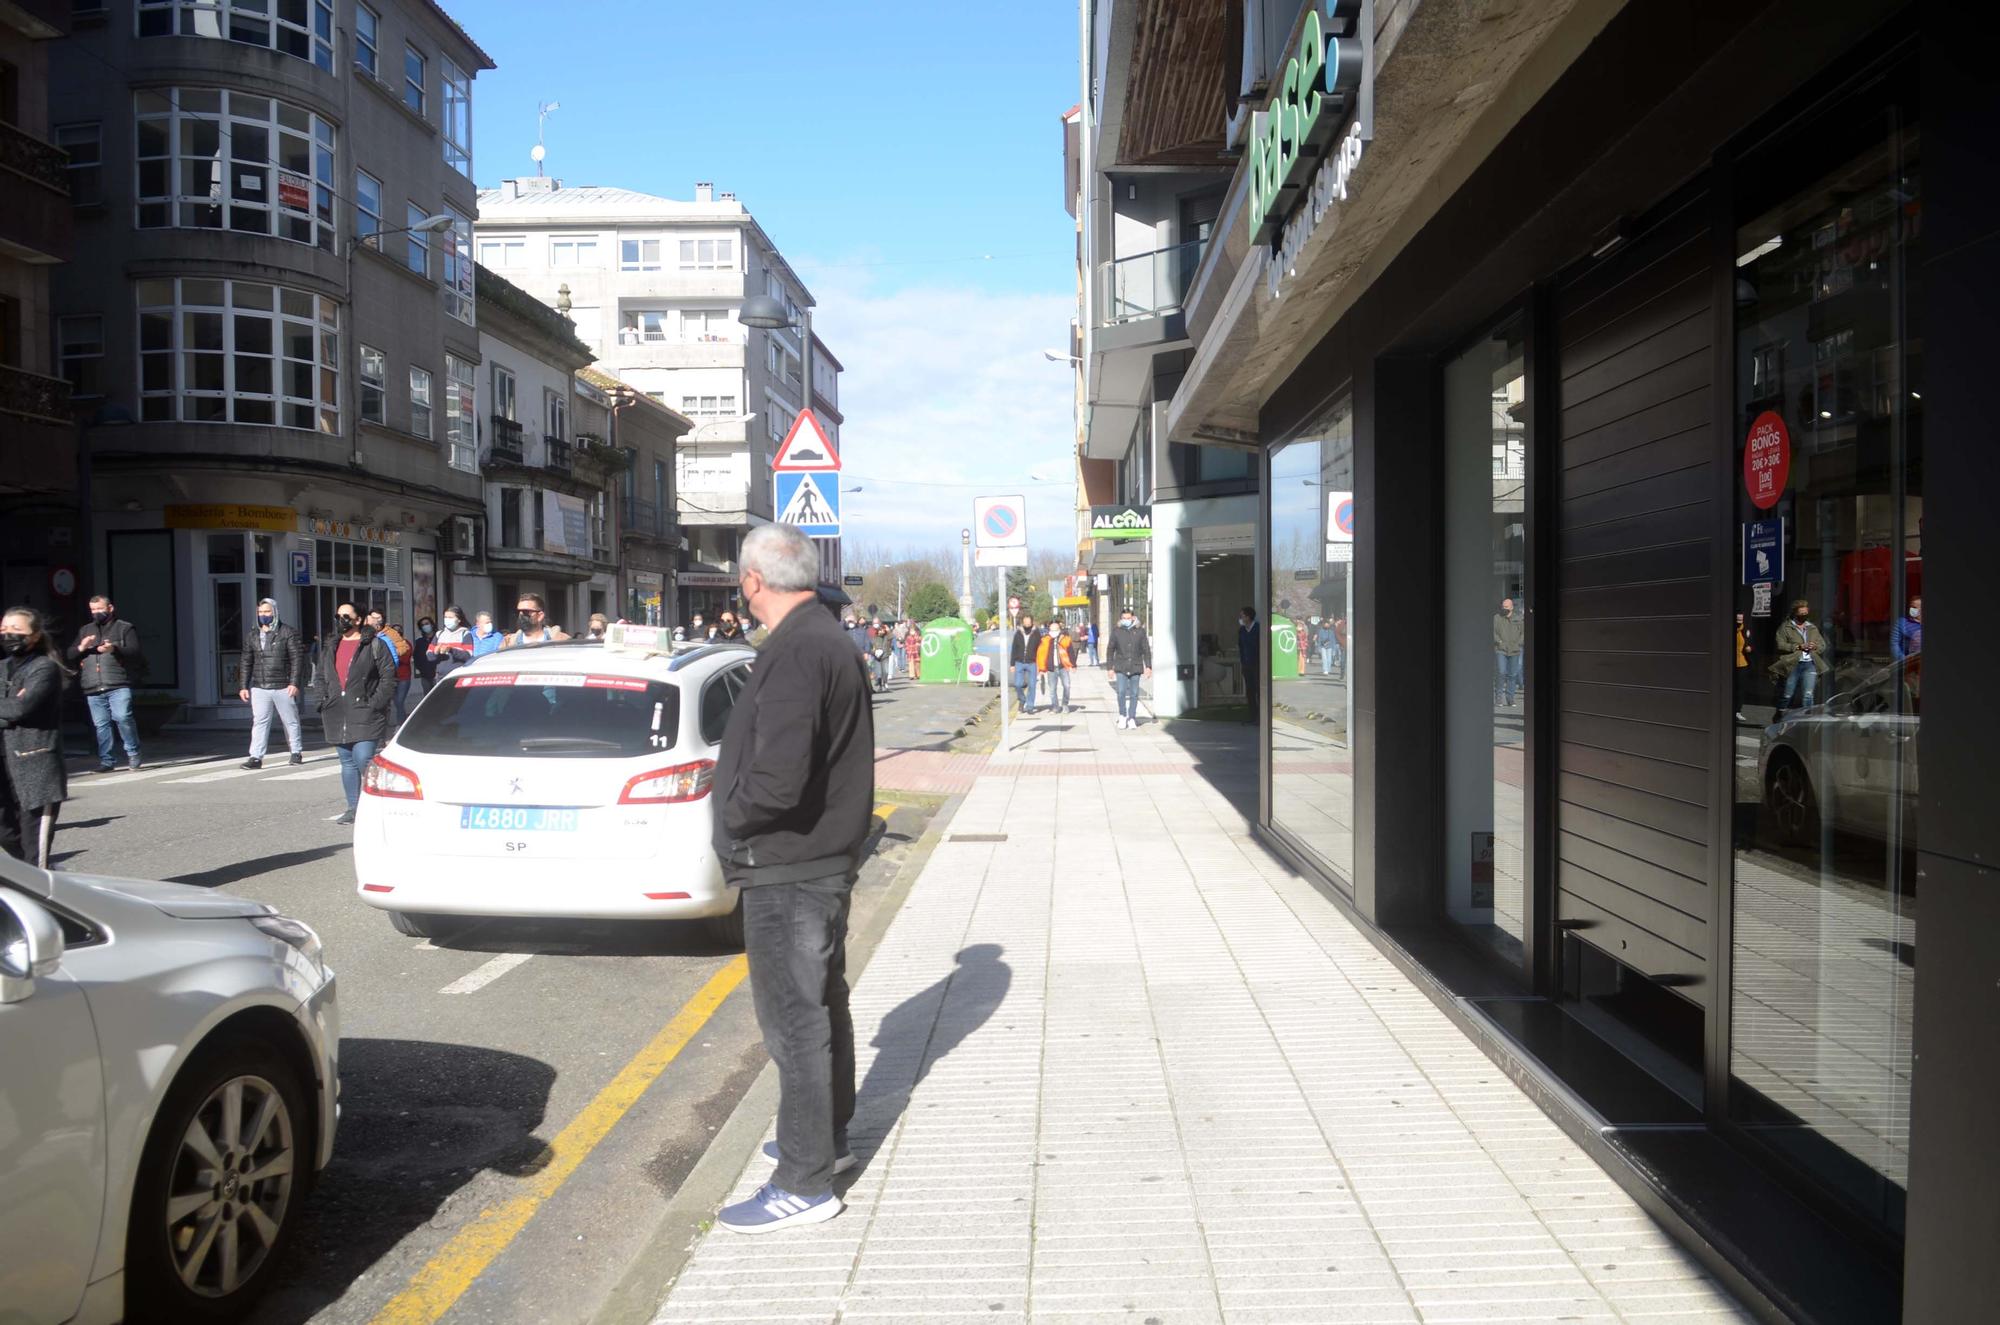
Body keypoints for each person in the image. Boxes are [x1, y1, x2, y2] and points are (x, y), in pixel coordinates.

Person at [711, 524, 874, 1234]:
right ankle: (825, 1141)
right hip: (813, 860)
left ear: (752, 582)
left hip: (789, 865)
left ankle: (804, 1180)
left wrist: (730, 816)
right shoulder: (822, 635)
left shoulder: (800, 648)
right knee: (820, 1005)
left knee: (794, 1020)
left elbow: (778, 777)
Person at [0, 607, 71, 866]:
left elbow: (23, 707)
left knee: (34, 850)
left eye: (17, 631)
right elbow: (13, 709)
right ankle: (41, 879)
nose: (9, 635)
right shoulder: (2, 667)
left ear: (35, 635)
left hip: (34, 765)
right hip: (3, 764)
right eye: (4, 630)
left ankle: (41, 887)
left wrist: (12, 707)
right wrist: (10, 707)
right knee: (5, 834)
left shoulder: (44, 668)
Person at [314, 603, 395, 826]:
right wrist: (323, 700)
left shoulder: (374, 644)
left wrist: (375, 703)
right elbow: (320, 675)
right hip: (337, 711)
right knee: (346, 761)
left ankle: (378, 803)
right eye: (338, 616)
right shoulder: (331, 645)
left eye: (346, 616)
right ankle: (353, 808)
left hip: (365, 710)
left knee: (363, 758)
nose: (341, 620)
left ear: (358, 619)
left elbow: (388, 677)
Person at [71, 593, 144, 771]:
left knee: (122, 717)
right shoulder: (86, 630)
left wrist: (114, 648)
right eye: (93, 610)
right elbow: (70, 655)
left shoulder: (124, 628)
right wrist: (82, 647)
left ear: (110, 608)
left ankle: (133, 752)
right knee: (101, 725)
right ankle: (107, 760)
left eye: (99, 609)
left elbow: (135, 652)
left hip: (117, 682)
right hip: (93, 684)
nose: (96, 612)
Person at [237, 597, 306, 769]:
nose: (263, 615)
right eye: (260, 612)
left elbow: (297, 659)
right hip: (260, 686)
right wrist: (243, 686)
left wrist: (294, 682)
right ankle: (256, 757)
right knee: (260, 721)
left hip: (283, 685)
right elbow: (246, 661)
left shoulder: (287, 632)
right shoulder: (252, 635)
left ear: (274, 612)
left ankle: (296, 752)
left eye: (267, 612)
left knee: (290, 720)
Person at [1771, 599, 1829, 713]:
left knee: (1808, 695)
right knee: (1787, 694)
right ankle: (1780, 715)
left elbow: (1822, 645)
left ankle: (1806, 720)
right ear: (1795, 614)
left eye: (1806, 613)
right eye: (1801, 613)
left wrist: (1815, 647)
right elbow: (1780, 644)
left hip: (1809, 664)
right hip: (1792, 664)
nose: (1804, 616)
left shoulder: (1812, 627)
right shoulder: (1786, 627)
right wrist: (1798, 646)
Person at [1107, 606, 1152, 728]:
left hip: (1135, 666)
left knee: (1134, 693)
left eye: (1128, 618)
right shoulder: (1117, 631)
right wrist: (1110, 667)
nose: (1126, 620)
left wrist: (1148, 666)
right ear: (1121, 619)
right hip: (1121, 666)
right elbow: (1110, 649)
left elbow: (1146, 650)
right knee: (1121, 692)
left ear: (1133, 618)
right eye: (1124, 618)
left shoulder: (1140, 631)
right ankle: (1122, 715)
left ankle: (1132, 717)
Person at [365, 610, 413, 723]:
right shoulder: (365, 631)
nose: (375, 620)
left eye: (378, 618)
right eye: (373, 617)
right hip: (369, 674)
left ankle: (397, 725)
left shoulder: (389, 634)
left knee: (394, 702)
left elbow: (403, 648)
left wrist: (388, 655)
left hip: (392, 674)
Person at [504, 593, 569, 647]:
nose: (520, 615)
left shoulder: (561, 640)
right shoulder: (508, 643)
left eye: (525, 612)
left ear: (540, 616)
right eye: (517, 612)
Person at [1493, 597, 1525, 707]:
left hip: (1515, 651)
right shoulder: (1497, 618)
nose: (1504, 608)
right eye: (1503, 606)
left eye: (1506, 607)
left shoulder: (1519, 618)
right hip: (1501, 650)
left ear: (1511, 607)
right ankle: (1498, 697)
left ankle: (1510, 698)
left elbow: (1523, 633)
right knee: (1501, 672)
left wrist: (1518, 643)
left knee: (1513, 675)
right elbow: (1493, 632)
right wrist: (1499, 641)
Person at [429, 605, 474, 681]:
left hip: (458, 676)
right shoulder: (439, 634)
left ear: (459, 619)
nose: (447, 620)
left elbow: (468, 655)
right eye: (445, 617)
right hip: (441, 677)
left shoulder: (465, 634)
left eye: (450, 618)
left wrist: (451, 650)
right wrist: (435, 652)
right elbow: (429, 656)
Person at [1010, 613, 1042, 716]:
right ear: (1023, 622)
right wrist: (1012, 664)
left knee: (1032, 685)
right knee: (1018, 684)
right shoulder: (1018, 633)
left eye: (1029, 622)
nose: (1027, 623)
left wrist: (1041, 665)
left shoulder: (1036, 633)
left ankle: (1030, 706)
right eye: (1025, 622)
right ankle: (1022, 699)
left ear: (1032, 622)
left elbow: (1040, 649)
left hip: (1032, 663)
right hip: (1019, 662)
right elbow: (1014, 649)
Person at [1238, 606, 1261, 713]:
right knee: (1250, 690)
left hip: (1257, 664)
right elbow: (1241, 647)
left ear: (1248, 617)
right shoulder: (1242, 630)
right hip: (1246, 664)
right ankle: (1252, 714)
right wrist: (1243, 662)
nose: (1241, 618)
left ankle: (1261, 716)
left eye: (1242, 616)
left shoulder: (1258, 628)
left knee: (1258, 689)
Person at [1050, 622, 1076, 712]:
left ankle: (1065, 704)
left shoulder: (1065, 639)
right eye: (1051, 630)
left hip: (1063, 667)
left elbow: (1071, 652)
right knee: (1052, 689)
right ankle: (1055, 706)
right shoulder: (1046, 640)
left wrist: (1073, 665)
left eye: (1055, 630)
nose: (1053, 632)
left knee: (1067, 686)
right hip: (1051, 668)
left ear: (1059, 630)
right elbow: (1041, 654)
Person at [412, 615, 438, 699]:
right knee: (427, 698)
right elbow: (416, 657)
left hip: (437, 675)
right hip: (425, 676)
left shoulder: (439, 638)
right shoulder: (419, 642)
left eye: (427, 623)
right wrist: (421, 669)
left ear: (432, 625)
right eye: (423, 625)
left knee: (439, 698)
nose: (425, 626)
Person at [1733, 612, 1753, 723]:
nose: (1739, 619)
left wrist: (1749, 648)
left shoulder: (1745, 630)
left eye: (1741, 617)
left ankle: (1737, 711)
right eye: (1737, 617)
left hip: (1742, 663)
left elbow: (1751, 642)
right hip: (1730, 664)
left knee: (1740, 689)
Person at [1891, 595, 1922, 661]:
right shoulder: (1902, 622)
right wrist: (1905, 660)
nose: (1911, 609)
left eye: (1914, 607)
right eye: (1910, 607)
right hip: (1910, 662)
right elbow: (1894, 644)